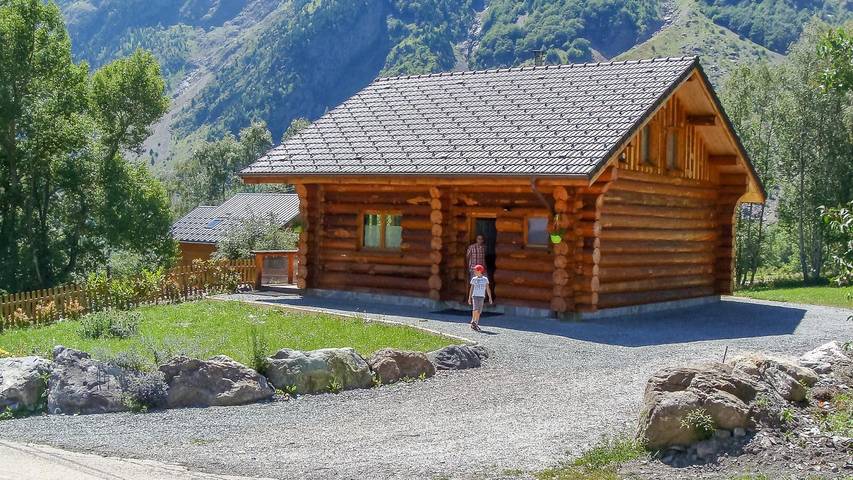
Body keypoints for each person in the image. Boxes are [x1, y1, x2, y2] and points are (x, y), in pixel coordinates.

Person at [467, 264, 493, 332]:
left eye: (475, 270)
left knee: (479, 311)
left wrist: (490, 298)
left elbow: (487, 289)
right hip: (475, 296)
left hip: (482, 297)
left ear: (479, 271)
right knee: (475, 308)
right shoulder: (473, 279)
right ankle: (473, 320)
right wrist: (469, 298)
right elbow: (471, 289)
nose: (474, 272)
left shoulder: (485, 279)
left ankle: (476, 323)